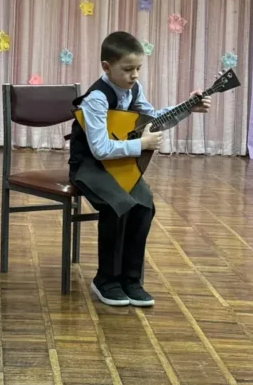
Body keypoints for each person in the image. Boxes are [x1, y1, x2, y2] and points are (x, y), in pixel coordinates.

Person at [69, 31, 210, 308]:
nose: (134, 75)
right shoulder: (96, 99)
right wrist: (141, 145)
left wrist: (187, 108)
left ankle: (131, 279)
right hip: (89, 167)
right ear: (106, 67)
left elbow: (152, 119)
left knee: (144, 205)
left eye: (138, 69)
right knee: (119, 204)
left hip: (119, 166)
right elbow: (100, 149)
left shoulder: (134, 89)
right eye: (127, 69)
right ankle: (106, 280)